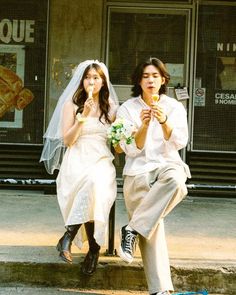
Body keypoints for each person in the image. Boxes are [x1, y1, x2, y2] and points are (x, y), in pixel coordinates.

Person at [115, 57, 191, 295]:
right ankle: (160, 291)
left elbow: (180, 142)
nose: (150, 80)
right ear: (139, 81)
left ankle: (132, 228)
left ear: (163, 80)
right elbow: (129, 148)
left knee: (178, 182)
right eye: (146, 76)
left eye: (155, 76)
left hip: (167, 164)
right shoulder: (127, 109)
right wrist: (144, 126)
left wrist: (163, 120)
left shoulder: (174, 107)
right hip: (138, 170)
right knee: (152, 222)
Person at [40, 60, 119, 275]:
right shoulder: (71, 105)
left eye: (96, 78)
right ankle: (93, 250)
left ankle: (69, 236)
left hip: (101, 159)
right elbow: (68, 141)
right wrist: (82, 117)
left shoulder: (111, 107)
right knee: (88, 186)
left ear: (103, 82)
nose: (91, 82)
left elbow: (118, 139)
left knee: (94, 183)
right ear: (81, 80)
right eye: (87, 77)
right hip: (77, 159)